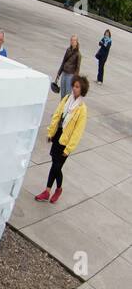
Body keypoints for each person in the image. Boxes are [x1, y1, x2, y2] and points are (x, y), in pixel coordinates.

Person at [36, 76, 89, 204]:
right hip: (58, 135)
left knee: (57, 166)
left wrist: (69, 148)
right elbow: (57, 115)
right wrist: (51, 132)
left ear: (82, 90)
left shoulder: (82, 109)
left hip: (66, 141)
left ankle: (57, 189)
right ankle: (48, 191)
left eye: (77, 87)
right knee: (54, 164)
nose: (74, 89)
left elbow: (78, 131)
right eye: (74, 86)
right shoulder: (66, 99)